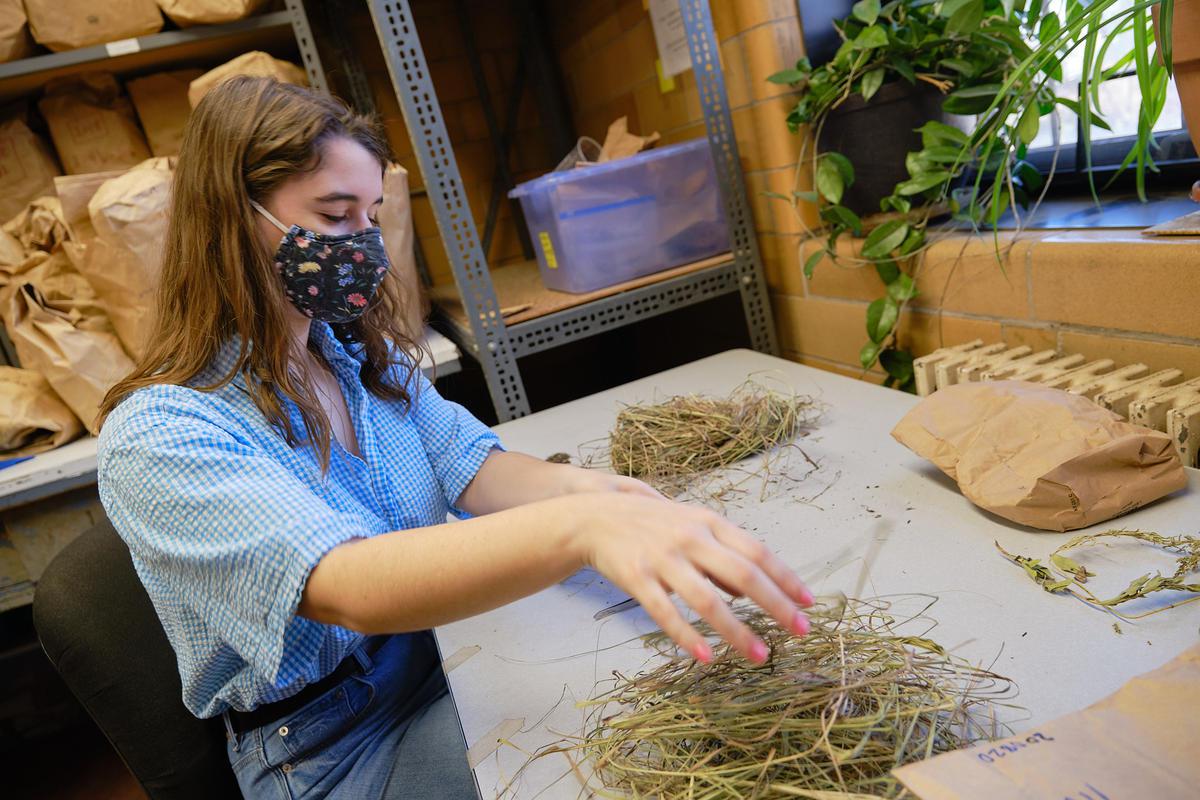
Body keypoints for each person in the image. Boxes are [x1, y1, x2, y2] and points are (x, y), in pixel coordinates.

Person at [96, 77, 814, 799]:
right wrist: (583, 527)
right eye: (334, 215)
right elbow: (349, 585)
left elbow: (480, 471)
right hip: (333, 748)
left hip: (443, 656)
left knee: (657, 687)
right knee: (633, 759)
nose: (364, 245)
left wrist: (624, 500)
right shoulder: (161, 435)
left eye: (371, 216)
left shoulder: (357, 367)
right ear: (230, 218)